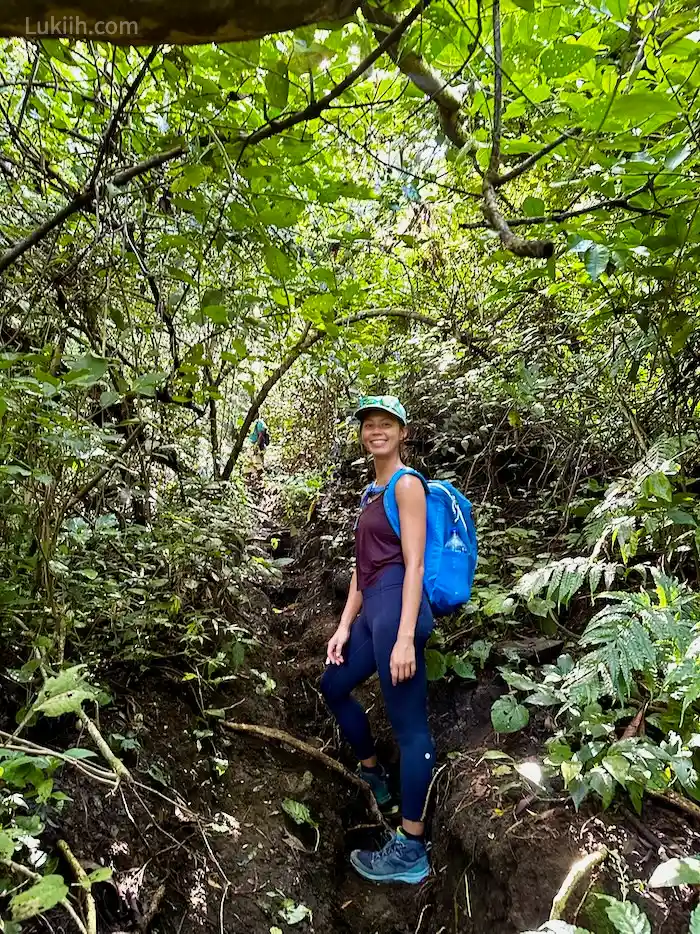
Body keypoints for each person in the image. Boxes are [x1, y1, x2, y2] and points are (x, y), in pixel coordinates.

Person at [320, 394, 434, 884]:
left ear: (403, 433)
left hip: (397, 613)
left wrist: (405, 635)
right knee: (333, 686)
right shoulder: (371, 493)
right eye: (369, 425)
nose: (376, 431)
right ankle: (373, 772)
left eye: (387, 424)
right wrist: (345, 624)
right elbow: (360, 571)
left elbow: (415, 564)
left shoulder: (407, 485)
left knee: (410, 729)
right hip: (372, 610)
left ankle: (412, 846)